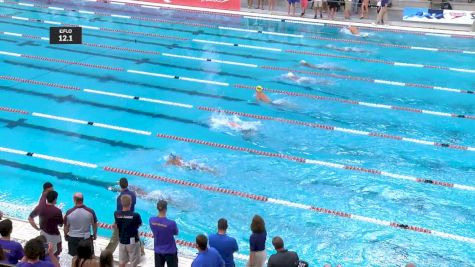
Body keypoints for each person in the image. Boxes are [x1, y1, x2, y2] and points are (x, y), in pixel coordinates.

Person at [105, 178, 137, 253]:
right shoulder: (133, 194)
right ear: (127, 184)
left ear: (120, 185)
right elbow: (133, 205)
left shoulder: (120, 197)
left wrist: (116, 223)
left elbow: (119, 212)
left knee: (115, 238)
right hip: (132, 219)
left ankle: (107, 253)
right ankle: (141, 252)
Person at [28, 191, 63, 257]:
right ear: (55, 199)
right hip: (54, 237)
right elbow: (61, 224)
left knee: (44, 250)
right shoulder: (57, 211)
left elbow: (30, 218)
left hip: (43, 235)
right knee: (55, 253)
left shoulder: (40, 207)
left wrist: (37, 228)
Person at [114, 195, 142, 267]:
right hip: (133, 242)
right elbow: (139, 224)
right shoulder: (136, 215)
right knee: (133, 264)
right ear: (131, 203)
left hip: (122, 241)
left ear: (121, 203)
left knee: (122, 263)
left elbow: (117, 224)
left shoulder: (116, 214)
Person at [149, 200, 178, 267]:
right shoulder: (171, 223)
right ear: (166, 209)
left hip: (158, 250)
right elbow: (176, 233)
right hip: (170, 251)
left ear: (157, 208)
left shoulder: (151, 220)